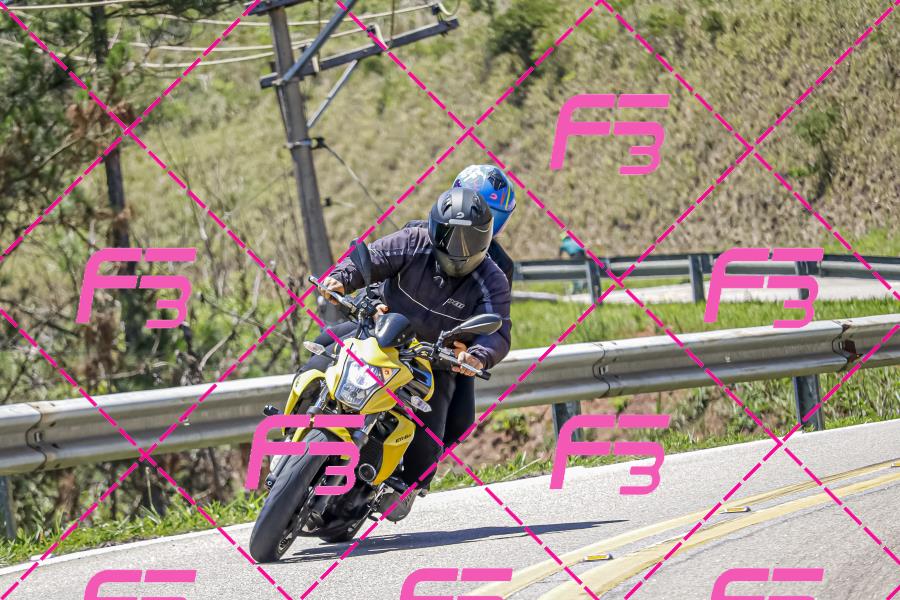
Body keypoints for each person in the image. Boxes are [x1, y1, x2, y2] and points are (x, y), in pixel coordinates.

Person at [319, 187, 511, 521]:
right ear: (435, 227)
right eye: (450, 236)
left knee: (438, 426)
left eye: (470, 239)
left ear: (486, 237)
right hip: (380, 331)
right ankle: (297, 424)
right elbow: (373, 257)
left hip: (434, 358)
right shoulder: (412, 240)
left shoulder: (492, 277)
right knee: (322, 347)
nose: (459, 248)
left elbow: (498, 330)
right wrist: (341, 279)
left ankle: (406, 486)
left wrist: (477, 355)